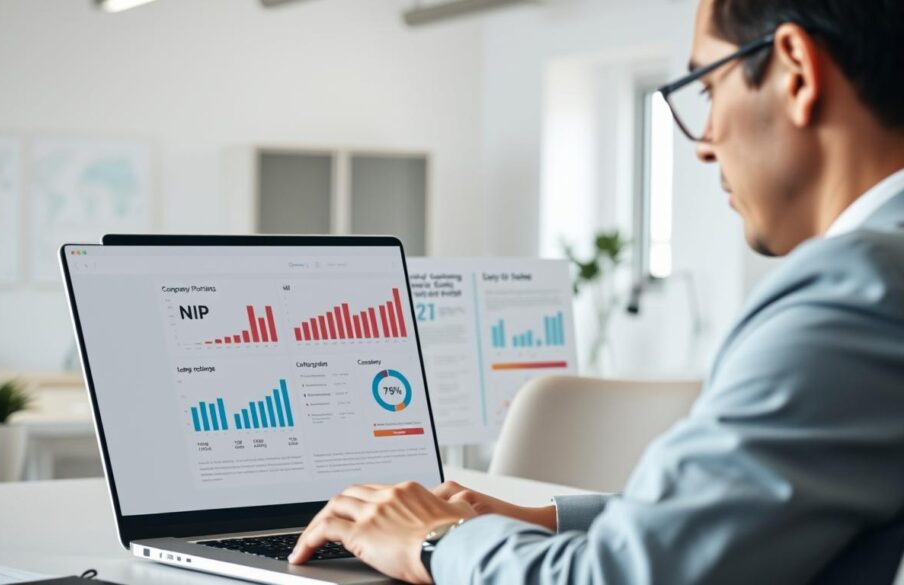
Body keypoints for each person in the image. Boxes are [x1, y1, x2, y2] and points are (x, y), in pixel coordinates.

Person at [289, 0, 904, 582]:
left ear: (796, 70)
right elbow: (726, 516)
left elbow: (622, 577)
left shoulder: (855, 289)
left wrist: (435, 540)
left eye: (710, 89)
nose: (704, 142)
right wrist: (542, 520)